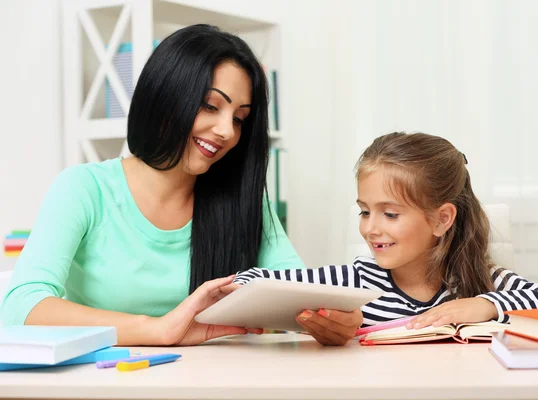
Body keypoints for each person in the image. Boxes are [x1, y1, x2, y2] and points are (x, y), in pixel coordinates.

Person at [0, 24, 361, 346]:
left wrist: (333, 319)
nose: (226, 131)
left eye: (239, 119)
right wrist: (157, 329)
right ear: (165, 97)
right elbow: (21, 306)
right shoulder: (84, 189)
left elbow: (298, 294)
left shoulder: (243, 201)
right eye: (209, 106)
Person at [234, 132, 538, 339]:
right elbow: (250, 280)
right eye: (364, 211)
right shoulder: (353, 282)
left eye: (390, 214)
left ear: (441, 219)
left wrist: (484, 305)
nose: (371, 228)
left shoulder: (479, 281)